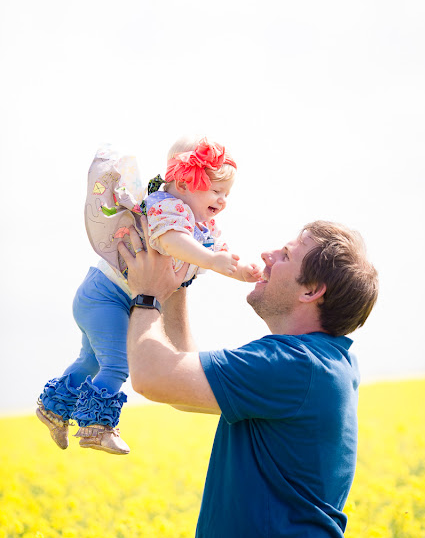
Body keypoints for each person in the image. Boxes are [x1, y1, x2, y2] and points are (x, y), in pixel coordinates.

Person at [117, 219, 379, 538]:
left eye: (285, 255)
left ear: (311, 291)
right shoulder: (321, 362)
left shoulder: (295, 365)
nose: (267, 255)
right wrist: (178, 280)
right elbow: (180, 391)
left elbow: (151, 378)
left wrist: (147, 294)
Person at [36, 137, 262, 456]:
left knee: (91, 360)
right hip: (106, 296)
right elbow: (171, 242)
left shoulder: (201, 227)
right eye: (215, 190)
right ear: (183, 182)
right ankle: (96, 426)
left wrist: (241, 271)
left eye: (226, 194)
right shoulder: (167, 206)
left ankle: (53, 409)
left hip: (106, 297)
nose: (222, 200)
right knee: (117, 362)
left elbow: (216, 253)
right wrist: (211, 260)